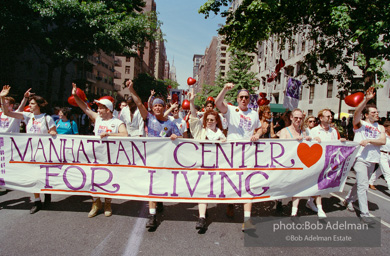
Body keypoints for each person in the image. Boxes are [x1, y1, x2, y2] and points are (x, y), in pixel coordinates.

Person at [126, 80, 182, 230]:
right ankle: (152, 216)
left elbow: (182, 138)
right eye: (155, 105)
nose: (157, 107)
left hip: (164, 160)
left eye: (160, 105)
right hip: (150, 158)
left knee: (160, 184)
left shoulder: (171, 124)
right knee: (151, 185)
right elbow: (138, 103)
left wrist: (176, 137)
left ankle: (160, 201)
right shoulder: (149, 118)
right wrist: (131, 88)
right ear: (152, 107)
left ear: (164, 108)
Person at [71, 83, 128, 218]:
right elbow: (84, 107)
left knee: (108, 180)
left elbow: (125, 135)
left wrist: (109, 135)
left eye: (101, 108)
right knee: (93, 180)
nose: (98, 110)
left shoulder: (117, 122)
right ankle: (96, 203)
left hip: (110, 157)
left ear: (108, 109)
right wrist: (75, 95)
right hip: (95, 156)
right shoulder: (97, 119)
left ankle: (107, 204)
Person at [0, 85, 57, 214]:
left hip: (44, 153)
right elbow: (7, 113)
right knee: (33, 177)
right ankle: (37, 201)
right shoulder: (27, 116)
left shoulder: (47, 118)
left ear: (39, 105)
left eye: (32, 104)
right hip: (30, 152)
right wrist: (2, 98)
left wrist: (52, 132)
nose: (30, 106)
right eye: (29, 103)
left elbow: (53, 131)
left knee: (43, 176)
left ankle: (47, 193)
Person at [215, 83, 263, 231]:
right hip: (232, 153)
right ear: (237, 99)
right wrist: (224, 89)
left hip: (248, 153)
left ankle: (247, 219)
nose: (243, 99)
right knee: (232, 182)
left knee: (248, 185)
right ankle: (230, 204)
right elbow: (217, 103)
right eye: (241, 97)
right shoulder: (231, 110)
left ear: (249, 100)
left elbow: (260, 128)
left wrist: (257, 134)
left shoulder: (254, 113)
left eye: (246, 97)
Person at [343, 87, 386, 224]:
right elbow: (356, 112)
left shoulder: (381, 127)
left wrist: (369, 140)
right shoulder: (360, 124)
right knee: (363, 186)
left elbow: (383, 141)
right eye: (374, 112)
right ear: (367, 115)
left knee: (361, 183)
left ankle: (349, 199)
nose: (377, 114)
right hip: (361, 159)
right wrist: (366, 99)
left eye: (377, 112)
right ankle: (365, 213)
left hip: (373, 160)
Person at [188, 90, 226, 230]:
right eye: (207, 119)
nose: (209, 122)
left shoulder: (222, 136)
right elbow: (193, 117)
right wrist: (191, 102)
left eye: (212, 120)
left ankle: (229, 207)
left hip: (217, 168)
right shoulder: (200, 132)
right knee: (202, 191)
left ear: (216, 121)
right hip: (202, 167)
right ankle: (202, 218)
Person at [308, 108, 346, 218]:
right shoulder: (314, 130)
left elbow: (335, 145)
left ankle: (310, 201)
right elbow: (308, 144)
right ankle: (320, 208)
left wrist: (341, 142)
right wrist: (313, 139)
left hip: (329, 161)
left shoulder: (333, 131)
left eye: (330, 116)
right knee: (318, 183)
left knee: (322, 183)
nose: (330, 118)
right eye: (327, 116)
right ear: (321, 118)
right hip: (317, 160)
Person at [279, 108, 311, 217]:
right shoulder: (285, 131)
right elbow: (281, 147)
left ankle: (294, 211)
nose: (298, 120)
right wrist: (294, 140)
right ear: (291, 118)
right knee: (282, 185)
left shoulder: (304, 131)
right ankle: (278, 200)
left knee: (297, 186)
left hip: (299, 163)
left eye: (300, 118)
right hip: (286, 163)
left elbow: (309, 144)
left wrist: (311, 139)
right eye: (296, 117)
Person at [368, 121, 390, 190]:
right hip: (382, 154)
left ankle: (370, 182)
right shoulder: (382, 136)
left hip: (388, 155)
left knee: (380, 171)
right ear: (386, 128)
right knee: (387, 173)